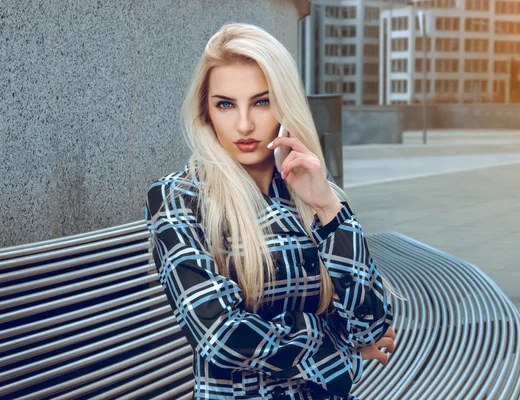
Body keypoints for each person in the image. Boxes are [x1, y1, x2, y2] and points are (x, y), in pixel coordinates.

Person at [145, 22, 395, 400]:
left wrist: (328, 206)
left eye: (262, 101)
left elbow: (371, 327)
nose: (244, 124)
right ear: (206, 111)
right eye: (225, 104)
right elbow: (221, 336)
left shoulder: (307, 191)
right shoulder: (178, 197)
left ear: (285, 103)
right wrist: (338, 351)